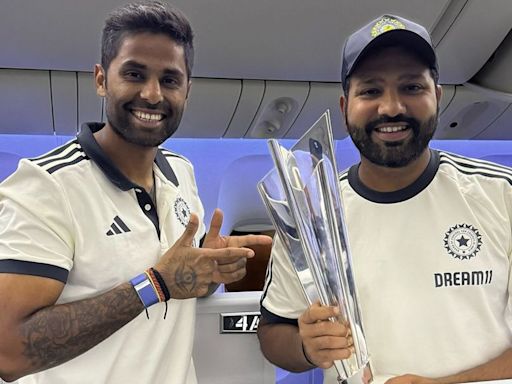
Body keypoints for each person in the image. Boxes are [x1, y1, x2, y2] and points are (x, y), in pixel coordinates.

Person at [0, 2, 271, 383]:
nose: (152, 94)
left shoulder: (181, 173)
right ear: (100, 79)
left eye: (170, 80)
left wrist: (205, 274)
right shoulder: (45, 186)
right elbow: (8, 350)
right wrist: (156, 283)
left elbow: (180, 290)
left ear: (187, 91)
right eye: (134, 73)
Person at [258, 14, 512, 384]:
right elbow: (273, 331)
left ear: (437, 97)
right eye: (371, 91)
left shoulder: (501, 195)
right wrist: (306, 348)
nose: (391, 107)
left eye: (411, 87)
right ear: (345, 107)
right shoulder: (312, 214)